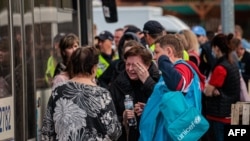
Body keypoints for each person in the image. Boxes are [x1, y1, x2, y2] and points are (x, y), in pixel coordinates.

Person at [41, 46, 122, 140]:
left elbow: (47, 130)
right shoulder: (102, 94)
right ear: (93, 67)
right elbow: (113, 132)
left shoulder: (58, 90)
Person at [139, 34, 205, 141]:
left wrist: (163, 60)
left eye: (157, 52)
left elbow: (177, 84)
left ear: (169, 52)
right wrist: (150, 106)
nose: (155, 57)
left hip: (169, 136)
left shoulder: (183, 67)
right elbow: (172, 100)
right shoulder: (171, 71)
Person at [109, 44, 160, 141]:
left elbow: (164, 106)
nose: (130, 69)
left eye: (136, 65)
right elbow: (109, 116)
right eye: (128, 64)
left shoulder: (158, 80)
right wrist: (123, 118)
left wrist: (147, 81)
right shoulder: (117, 84)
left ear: (147, 65)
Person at [203, 33, 241, 141]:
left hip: (219, 115)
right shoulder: (233, 64)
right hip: (231, 114)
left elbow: (208, 92)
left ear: (216, 48)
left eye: (213, 48)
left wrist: (208, 87)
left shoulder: (220, 68)